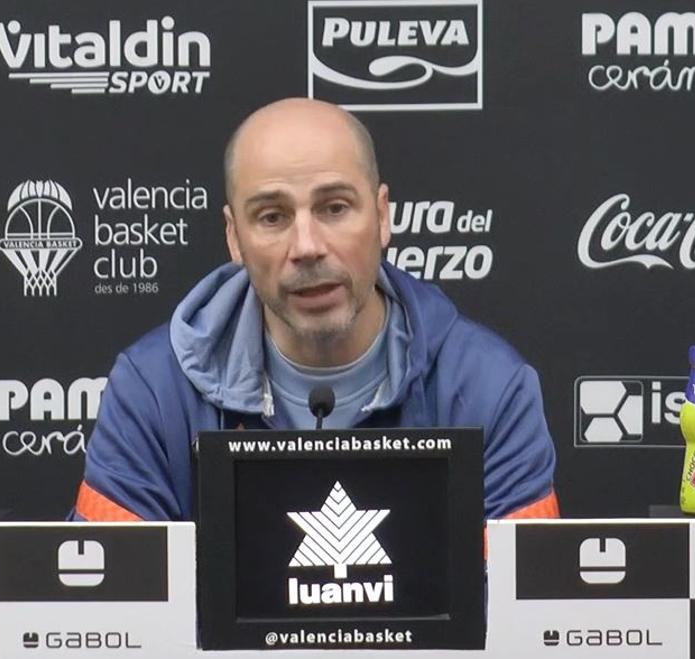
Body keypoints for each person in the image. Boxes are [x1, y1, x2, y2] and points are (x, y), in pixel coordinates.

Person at [72, 98, 558, 521]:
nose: (306, 246)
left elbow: (527, 613)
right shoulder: (153, 390)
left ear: (383, 216)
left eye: (334, 208)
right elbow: (111, 607)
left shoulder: (489, 388)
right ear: (233, 237)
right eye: (272, 217)